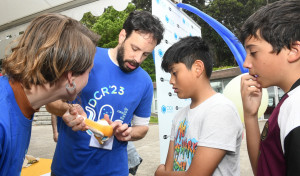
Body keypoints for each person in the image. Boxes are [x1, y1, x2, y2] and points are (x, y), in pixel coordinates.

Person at [46, 10, 164, 176]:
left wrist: (127, 133)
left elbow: (142, 127)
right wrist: (66, 110)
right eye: (135, 49)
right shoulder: (87, 55)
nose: (137, 59)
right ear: (122, 36)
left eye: (145, 54)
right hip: (68, 168)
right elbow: (50, 102)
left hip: (114, 171)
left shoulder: (144, 81)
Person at [0, 13, 99, 175]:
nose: (90, 77)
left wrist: (67, 110)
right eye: (90, 71)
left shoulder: (21, 102)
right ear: (70, 77)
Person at [154, 36, 243, 176]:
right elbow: (169, 167)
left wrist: (160, 174)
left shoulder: (221, 110)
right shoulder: (179, 116)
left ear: (197, 68)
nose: (171, 81)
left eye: (175, 73)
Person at [239, 1, 300, 175]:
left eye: (253, 52)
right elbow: (265, 168)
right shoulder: (290, 102)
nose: (246, 63)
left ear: (293, 51)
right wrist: (250, 116)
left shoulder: (297, 107)